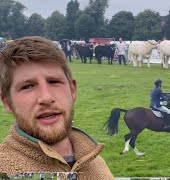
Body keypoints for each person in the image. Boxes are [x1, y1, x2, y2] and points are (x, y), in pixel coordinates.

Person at [0, 36, 114, 179]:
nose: (46, 98)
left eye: (54, 81)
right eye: (27, 86)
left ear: (72, 90)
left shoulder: (94, 161)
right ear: (7, 102)